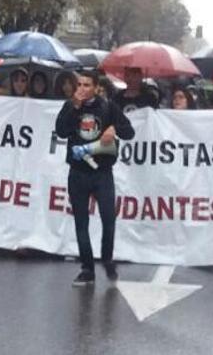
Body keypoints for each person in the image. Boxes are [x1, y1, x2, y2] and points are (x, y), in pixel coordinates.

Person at [55, 70, 135, 286]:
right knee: (81, 222)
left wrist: (114, 129)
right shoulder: (70, 105)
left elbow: (130, 132)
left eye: (86, 85)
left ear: (95, 87)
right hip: (78, 173)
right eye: (79, 84)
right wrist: (74, 108)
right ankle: (87, 268)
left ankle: (107, 258)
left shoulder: (108, 107)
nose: (81, 88)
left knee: (109, 218)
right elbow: (60, 131)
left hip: (102, 173)